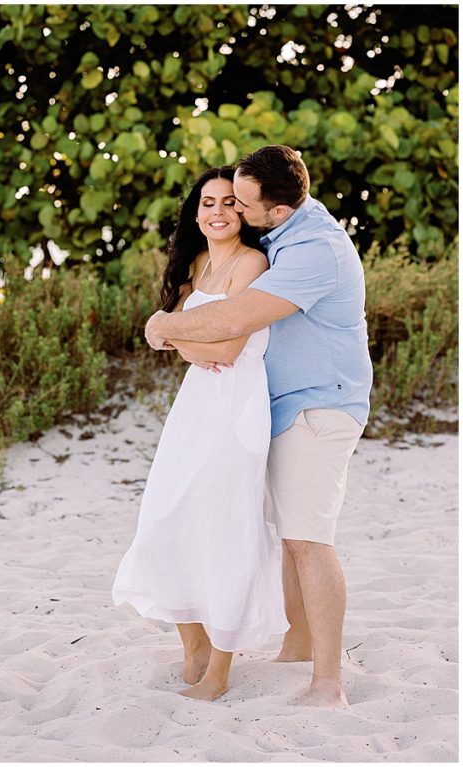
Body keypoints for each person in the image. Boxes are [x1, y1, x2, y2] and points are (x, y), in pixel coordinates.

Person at [144, 145, 372, 707]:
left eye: (245, 203)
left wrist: (163, 325)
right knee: (283, 534)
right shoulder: (282, 232)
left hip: (319, 404)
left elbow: (239, 317)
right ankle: (296, 647)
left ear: (279, 210)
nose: (236, 211)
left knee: (308, 540)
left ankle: (328, 684)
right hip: (273, 404)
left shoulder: (314, 249)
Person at [113, 166, 288, 701]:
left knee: (225, 527)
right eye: (208, 202)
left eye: (231, 203)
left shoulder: (251, 263)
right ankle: (194, 643)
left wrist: (172, 334)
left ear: (245, 211)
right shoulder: (196, 264)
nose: (218, 212)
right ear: (195, 212)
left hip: (236, 407)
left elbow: (228, 349)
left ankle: (220, 673)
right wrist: (177, 336)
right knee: (168, 516)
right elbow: (179, 337)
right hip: (195, 407)